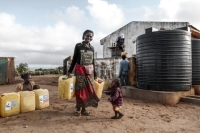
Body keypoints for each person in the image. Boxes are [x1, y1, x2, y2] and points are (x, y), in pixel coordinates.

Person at [68, 29, 99, 116]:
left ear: (92, 38)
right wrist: (70, 71)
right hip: (80, 71)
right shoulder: (78, 46)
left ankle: (84, 109)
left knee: (88, 90)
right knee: (80, 90)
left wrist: (95, 74)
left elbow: (93, 61)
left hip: (89, 72)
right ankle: (78, 109)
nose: (88, 37)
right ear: (83, 36)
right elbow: (74, 59)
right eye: (87, 35)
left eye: (90, 36)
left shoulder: (92, 48)